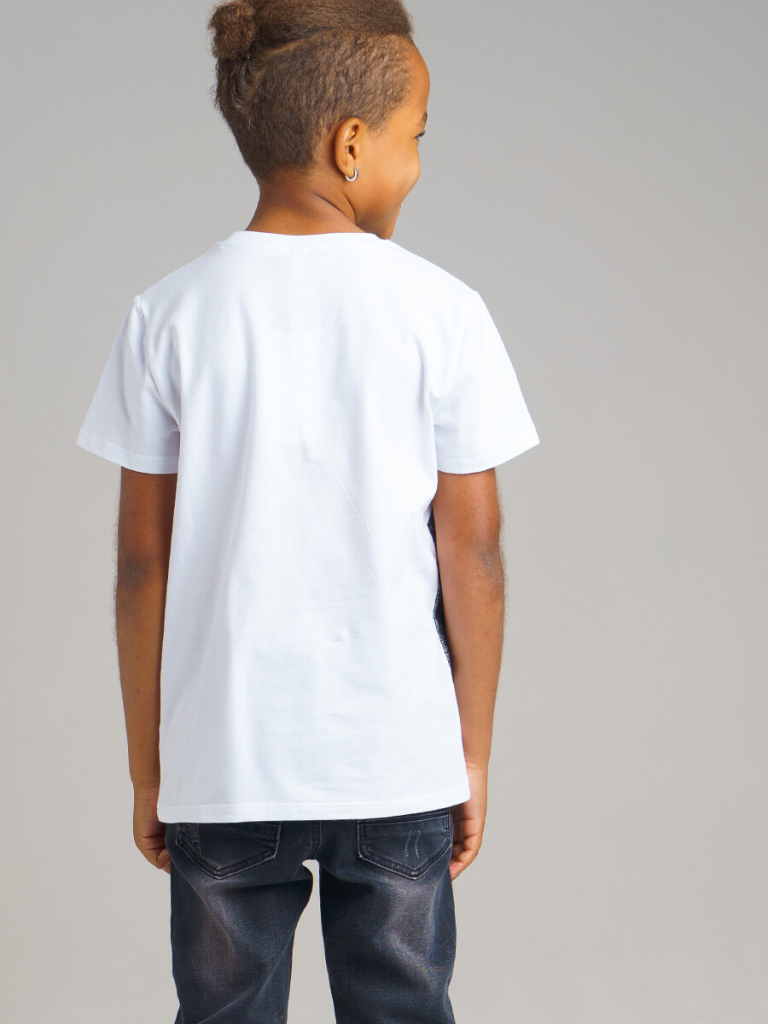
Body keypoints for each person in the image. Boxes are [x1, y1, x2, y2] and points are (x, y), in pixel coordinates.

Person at [76, 1, 541, 1020]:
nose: (417, 164)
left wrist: (149, 769)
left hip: (225, 765)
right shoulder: (443, 311)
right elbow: (474, 553)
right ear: (351, 144)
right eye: (416, 137)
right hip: (396, 761)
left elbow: (142, 567)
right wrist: (469, 753)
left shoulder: (168, 313)